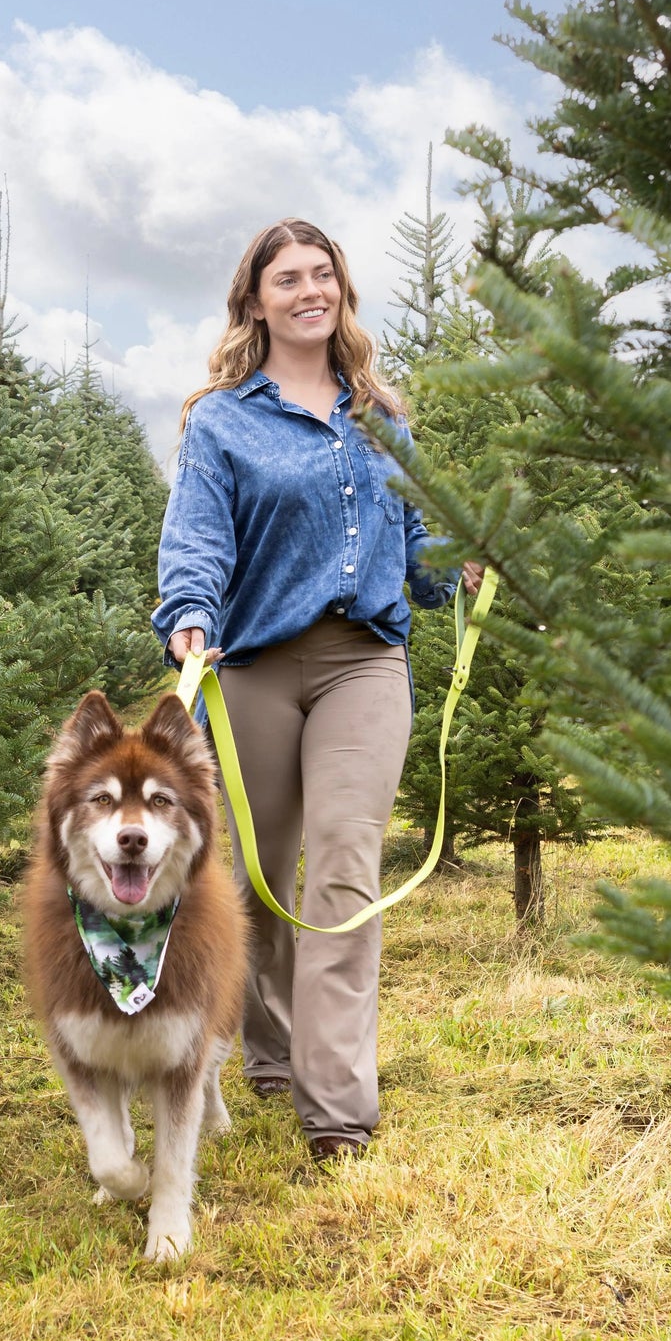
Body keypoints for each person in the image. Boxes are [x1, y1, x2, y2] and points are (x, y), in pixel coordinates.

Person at [152, 217, 482, 1164]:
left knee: (342, 871)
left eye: (323, 274)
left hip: (364, 663)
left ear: (342, 290)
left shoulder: (383, 417)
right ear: (255, 299)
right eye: (288, 277)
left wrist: (449, 565)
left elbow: (419, 550)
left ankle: (337, 1113)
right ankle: (271, 1049)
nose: (310, 290)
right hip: (252, 665)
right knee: (258, 877)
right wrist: (189, 616)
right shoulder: (222, 419)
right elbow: (200, 538)